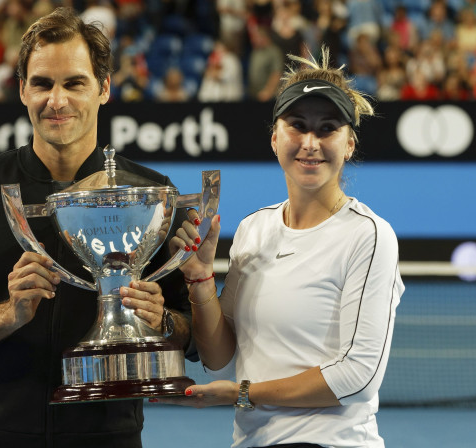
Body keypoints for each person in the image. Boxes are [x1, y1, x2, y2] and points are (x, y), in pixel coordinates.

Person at [0, 7, 194, 448]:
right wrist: (9, 314)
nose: (55, 100)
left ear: (104, 88)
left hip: (111, 439)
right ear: (22, 90)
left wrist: (163, 322)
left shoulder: (151, 197)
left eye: (74, 83)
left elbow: (192, 337)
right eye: (42, 83)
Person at [157, 47, 404, 448]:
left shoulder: (369, 236)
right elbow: (218, 356)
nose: (310, 142)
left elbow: (357, 376)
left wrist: (243, 392)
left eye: (327, 128)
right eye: (297, 125)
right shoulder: (254, 229)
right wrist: (200, 279)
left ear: (349, 145)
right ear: (275, 138)